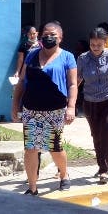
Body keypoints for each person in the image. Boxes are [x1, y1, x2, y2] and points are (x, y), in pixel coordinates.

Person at [11, 21, 77, 195]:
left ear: (60, 37)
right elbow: (21, 82)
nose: (49, 37)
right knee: (31, 148)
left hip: (55, 109)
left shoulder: (67, 57)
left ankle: (64, 174)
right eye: (46, 34)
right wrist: (15, 106)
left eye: (53, 35)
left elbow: (72, 84)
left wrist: (71, 107)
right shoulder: (32, 55)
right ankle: (32, 187)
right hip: (31, 109)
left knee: (54, 147)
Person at [77, 27, 108, 185]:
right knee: (96, 135)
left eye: (99, 44)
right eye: (92, 44)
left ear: (105, 43)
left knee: (107, 133)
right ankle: (101, 166)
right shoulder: (83, 58)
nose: (95, 47)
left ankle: (104, 169)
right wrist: (69, 98)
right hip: (90, 102)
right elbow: (77, 79)